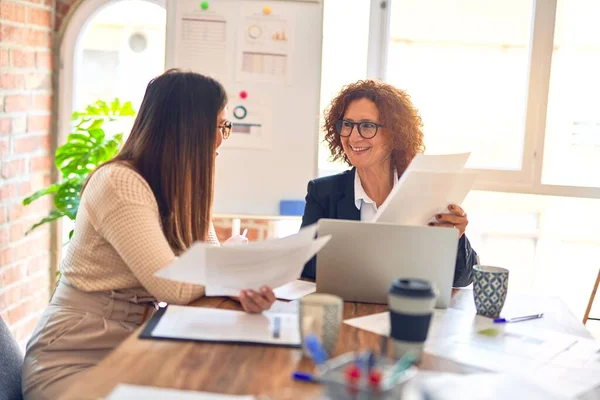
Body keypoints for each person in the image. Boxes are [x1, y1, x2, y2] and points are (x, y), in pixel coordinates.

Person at [22, 70, 276, 400]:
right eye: (219, 127)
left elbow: (209, 261)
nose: (222, 139)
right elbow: (173, 285)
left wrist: (243, 286)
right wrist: (228, 269)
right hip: (75, 361)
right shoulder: (119, 183)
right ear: (186, 130)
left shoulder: (180, 188)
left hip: (134, 348)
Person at [301, 80, 477, 286]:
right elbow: (306, 267)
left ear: (394, 133)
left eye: (367, 126)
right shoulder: (322, 192)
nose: (353, 137)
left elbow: (463, 279)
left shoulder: (424, 189)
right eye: (347, 125)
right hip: (348, 310)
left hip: (409, 309)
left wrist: (456, 237)